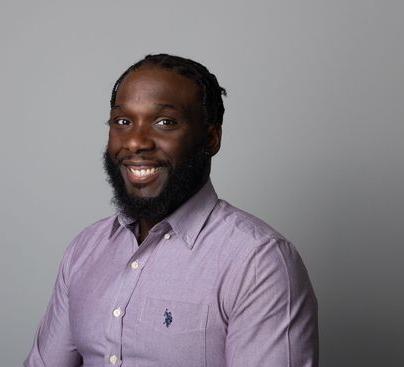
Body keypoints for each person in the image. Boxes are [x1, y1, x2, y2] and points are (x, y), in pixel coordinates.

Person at [24, 54, 318, 367]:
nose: (136, 142)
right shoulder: (84, 250)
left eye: (165, 122)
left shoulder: (258, 262)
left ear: (211, 138)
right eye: (123, 122)